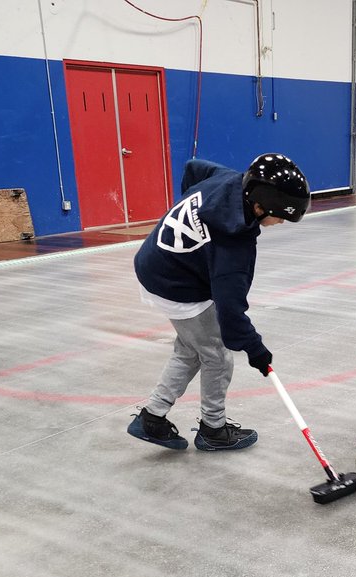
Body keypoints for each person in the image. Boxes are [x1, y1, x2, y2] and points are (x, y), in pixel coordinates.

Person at [128, 153, 310, 452]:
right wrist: (257, 350)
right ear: (259, 205)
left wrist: (189, 212)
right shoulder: (233, 246)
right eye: (280, 216)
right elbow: (231, 316)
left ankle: (152, 417)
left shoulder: (229, 179)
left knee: (190, 347)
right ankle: (213, 428)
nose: (280, 223)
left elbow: (192, 167)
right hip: (175, 283)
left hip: (154, 263)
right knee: (217, 354)